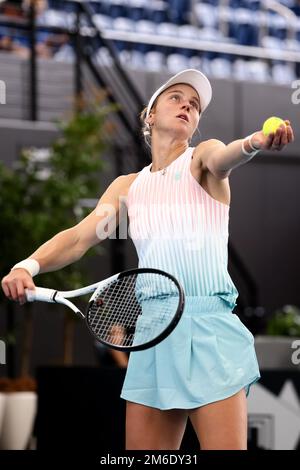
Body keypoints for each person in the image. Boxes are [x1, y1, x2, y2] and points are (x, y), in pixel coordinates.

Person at [1, 69, 294, 450]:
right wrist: (28, 266)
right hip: (153, 332)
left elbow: (224, 157)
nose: (187, 105)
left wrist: (254, 141)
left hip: (210, 331)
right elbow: (77, 238)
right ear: (150, 115)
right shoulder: (127, 188)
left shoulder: (201, 161)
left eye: (194, 105)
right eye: (176, 98)